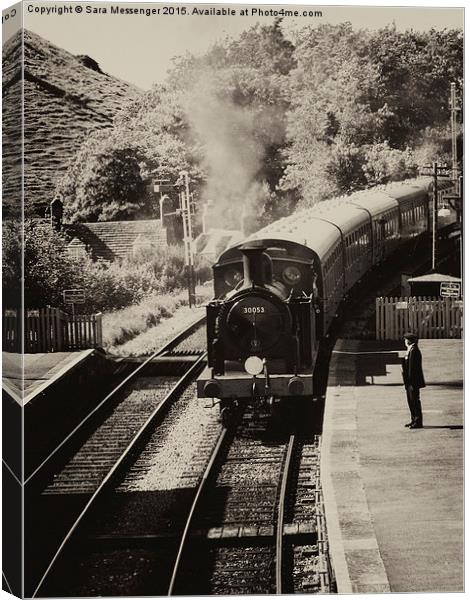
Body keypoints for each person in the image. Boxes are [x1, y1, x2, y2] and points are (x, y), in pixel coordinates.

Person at [402, 332, 426, 429]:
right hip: (409, 381)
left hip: (413, 381)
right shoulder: (410, 350)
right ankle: (413, 419)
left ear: (408, 341)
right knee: (411, 401)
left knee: (415, 401)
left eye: (405, 340)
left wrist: (410, 382)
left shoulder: (414, 350)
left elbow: (413, 368)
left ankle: (417, 421)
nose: (404, 341)